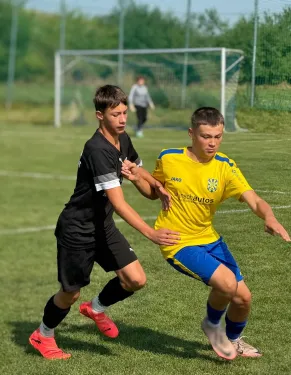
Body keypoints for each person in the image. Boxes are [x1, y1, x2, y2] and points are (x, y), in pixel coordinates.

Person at [121, 107, 291, 361]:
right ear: (191, 134)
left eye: (218, 136)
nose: (212, 143)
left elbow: (254, 200)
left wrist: (269, 216)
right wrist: (136, 179)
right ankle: (212, 325)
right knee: (227, 284)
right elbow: (155, 191)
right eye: (206, 136)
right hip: (177, 241)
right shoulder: (169, 158)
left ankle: (233, 340)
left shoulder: (225, 167)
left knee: (243, 298)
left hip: (210, 239)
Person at [29, 85, 180, 360]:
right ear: (100, 115)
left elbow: (136, 172)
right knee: (70, 293)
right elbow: (120, 203)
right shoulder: (96, 149)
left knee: (135, 279)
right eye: (115, 114)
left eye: (124, 113)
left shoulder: (122, 140)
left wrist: (155, 185)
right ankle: (43, 334)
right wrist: (152, 233)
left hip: (102, 225)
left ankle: (95, 309)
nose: (122, 120)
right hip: (78, 228)